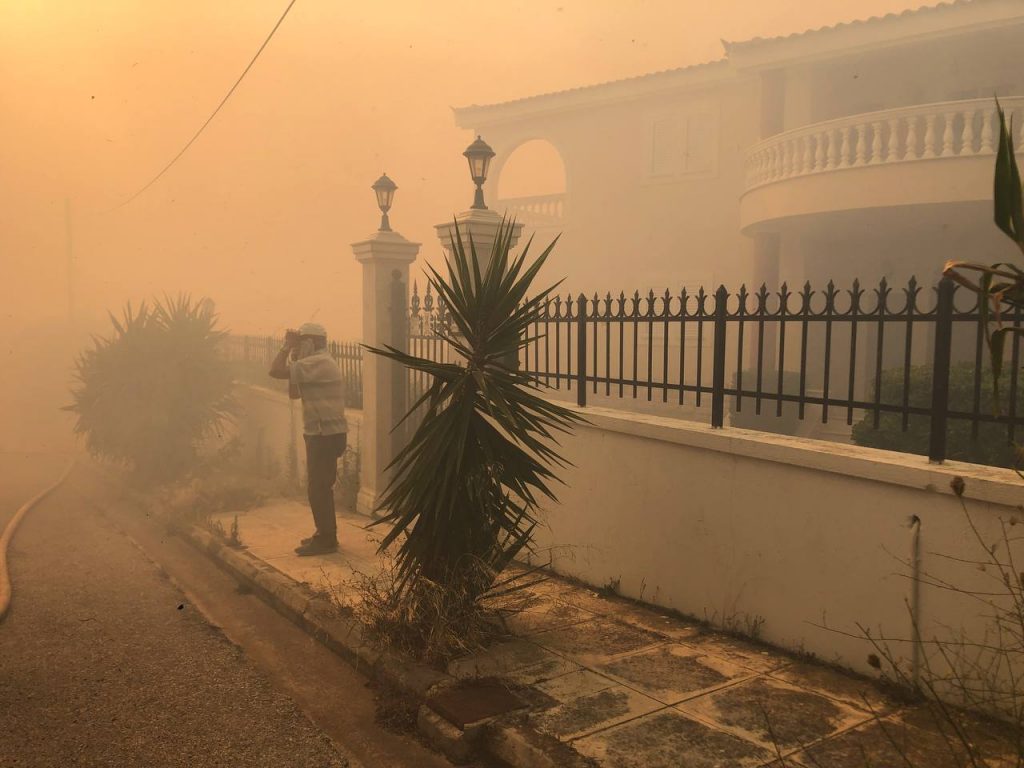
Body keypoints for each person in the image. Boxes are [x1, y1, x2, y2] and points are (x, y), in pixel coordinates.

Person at [269, 322, 348, 556]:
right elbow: (294, 393)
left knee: (318, 488)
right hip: (322, 433)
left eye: (302, 341)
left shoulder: (320, 362)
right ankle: (325, 534)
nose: (298, 345)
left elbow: (274, 371)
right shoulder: (313, 363)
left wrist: (286, 348)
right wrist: (296, 353)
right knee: (320, 487)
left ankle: (326, 539)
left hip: (325, 435)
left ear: (312, 343)